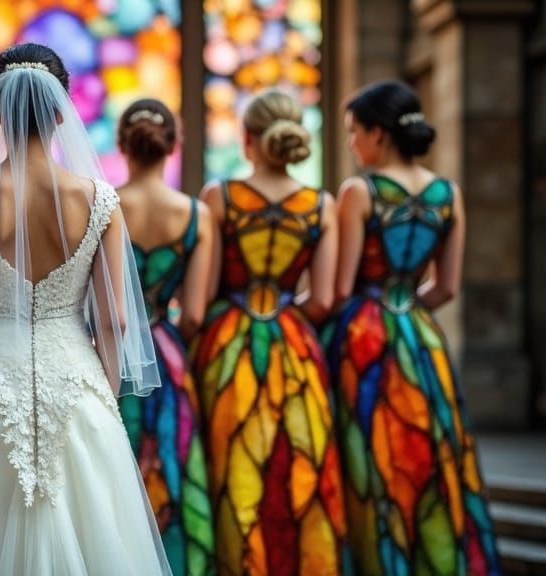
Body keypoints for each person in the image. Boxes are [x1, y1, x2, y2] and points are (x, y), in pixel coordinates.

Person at [0, 43, 170, 575]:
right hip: (76, 384)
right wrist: (104, 395)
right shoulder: (99, 200)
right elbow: (114, 320)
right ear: (61, 112)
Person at [326, 80, 499, 575]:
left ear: (379, 134)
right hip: (421, 339)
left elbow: (340, 290)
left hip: (365, 339)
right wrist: (404, 308)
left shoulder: (360, 191)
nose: (351, 143)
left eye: (354, 132)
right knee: (426, 453)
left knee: (368, 454)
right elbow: (446, 288)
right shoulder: (448, 193)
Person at [193, 89, 346, 575]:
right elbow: (323, 300)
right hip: (294, 345)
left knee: (233, 464)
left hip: (229, 344)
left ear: (247, 140)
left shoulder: (220, 197)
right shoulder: (321, 205)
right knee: (297, 464)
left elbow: (205, 291)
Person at [115, 98, 216, 575]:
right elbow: (193, 313)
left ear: (122, 146)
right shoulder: (196, 214)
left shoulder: (103, 204)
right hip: (168, 355)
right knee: (171, 462)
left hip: (112, 354)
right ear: (173, 146)